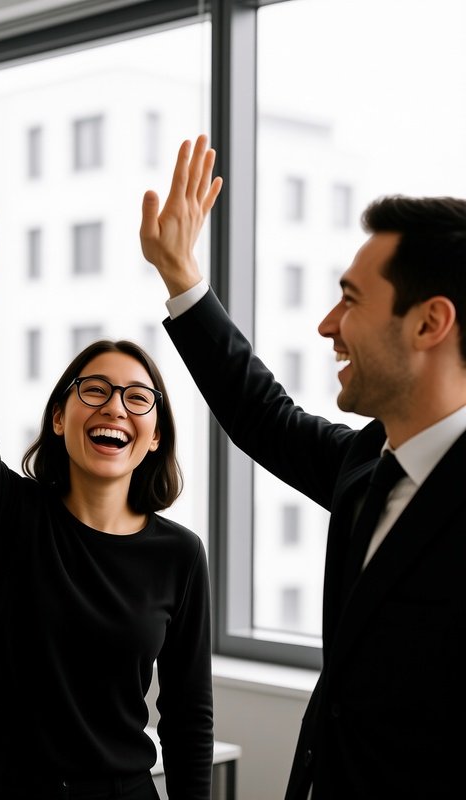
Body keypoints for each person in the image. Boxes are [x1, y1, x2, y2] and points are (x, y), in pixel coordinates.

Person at [139, 134, 466, 799]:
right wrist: (181, 276)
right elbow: (264, 416)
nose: (326, 324)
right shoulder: (369, 465)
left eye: (351, 300)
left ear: (429, 323)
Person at [0, 137, 214, 799]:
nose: (114, 408)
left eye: (137, 397)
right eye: (92, 390)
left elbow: (188, 716)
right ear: (60, 419)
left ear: (155, 437)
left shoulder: (179, 556)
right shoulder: (12, 514)